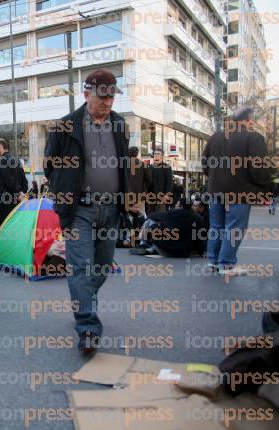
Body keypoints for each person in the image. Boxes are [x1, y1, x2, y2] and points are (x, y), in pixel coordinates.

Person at [44, 69, 129, 354]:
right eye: (101, 96)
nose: (107, 102)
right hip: (79, 209)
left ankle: (84, 299)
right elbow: (50, 165)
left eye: (111, 96)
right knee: (80, 267)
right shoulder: (66, 126)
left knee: (103, 266)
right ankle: (88, 327)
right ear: (86, 94)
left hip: (111, 208)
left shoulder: (120, 124)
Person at [202, 107, 273, 276]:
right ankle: (226, 265)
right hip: (241, 191)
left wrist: (214, 178)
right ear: (247, 121)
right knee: (235, 227)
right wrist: (265, 188)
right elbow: (259, 168)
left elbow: (205, 163)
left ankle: (213, 261)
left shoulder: (216, 137)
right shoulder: (253, 137)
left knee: (216, 226)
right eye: (252, 121)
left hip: (216, 190)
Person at [131, 198, 206, 258]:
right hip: (184, 252)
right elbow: (199, 237)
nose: (175, 207)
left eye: (176, 205)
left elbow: (152, 216)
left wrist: (150, 228)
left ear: (180, 206)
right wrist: (201, 251)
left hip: (165, 249)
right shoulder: (198, 218)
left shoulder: (171, 213)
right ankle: (150, 249)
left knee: (151, 223)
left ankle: (144, 245)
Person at [0, 138, 28, 233]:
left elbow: (9, 180)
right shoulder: (16, 160)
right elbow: (24, 181)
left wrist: (18, 193)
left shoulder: (1, 161)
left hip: (5, 203)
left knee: (2, 232)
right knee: (16, 230)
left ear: (0, 147)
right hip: (17, 203)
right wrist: (22, 193)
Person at [147, 148, 173, 214]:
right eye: (155, 154)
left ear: (162, 156)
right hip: (150, 197)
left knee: (160, 216)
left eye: (158, 154)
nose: (156, 155)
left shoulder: (167, 167)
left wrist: (166, 195)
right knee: (150, 216)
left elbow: (169, 182)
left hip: (161, 197)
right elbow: (146, 181)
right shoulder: (149, 167)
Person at [128, 146, 150, 213]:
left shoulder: (123, 164)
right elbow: (149, 180)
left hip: (126, 195)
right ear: (137, 154)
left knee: (127, 216)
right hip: (140, 196)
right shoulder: (143, 165)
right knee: (140, 216)